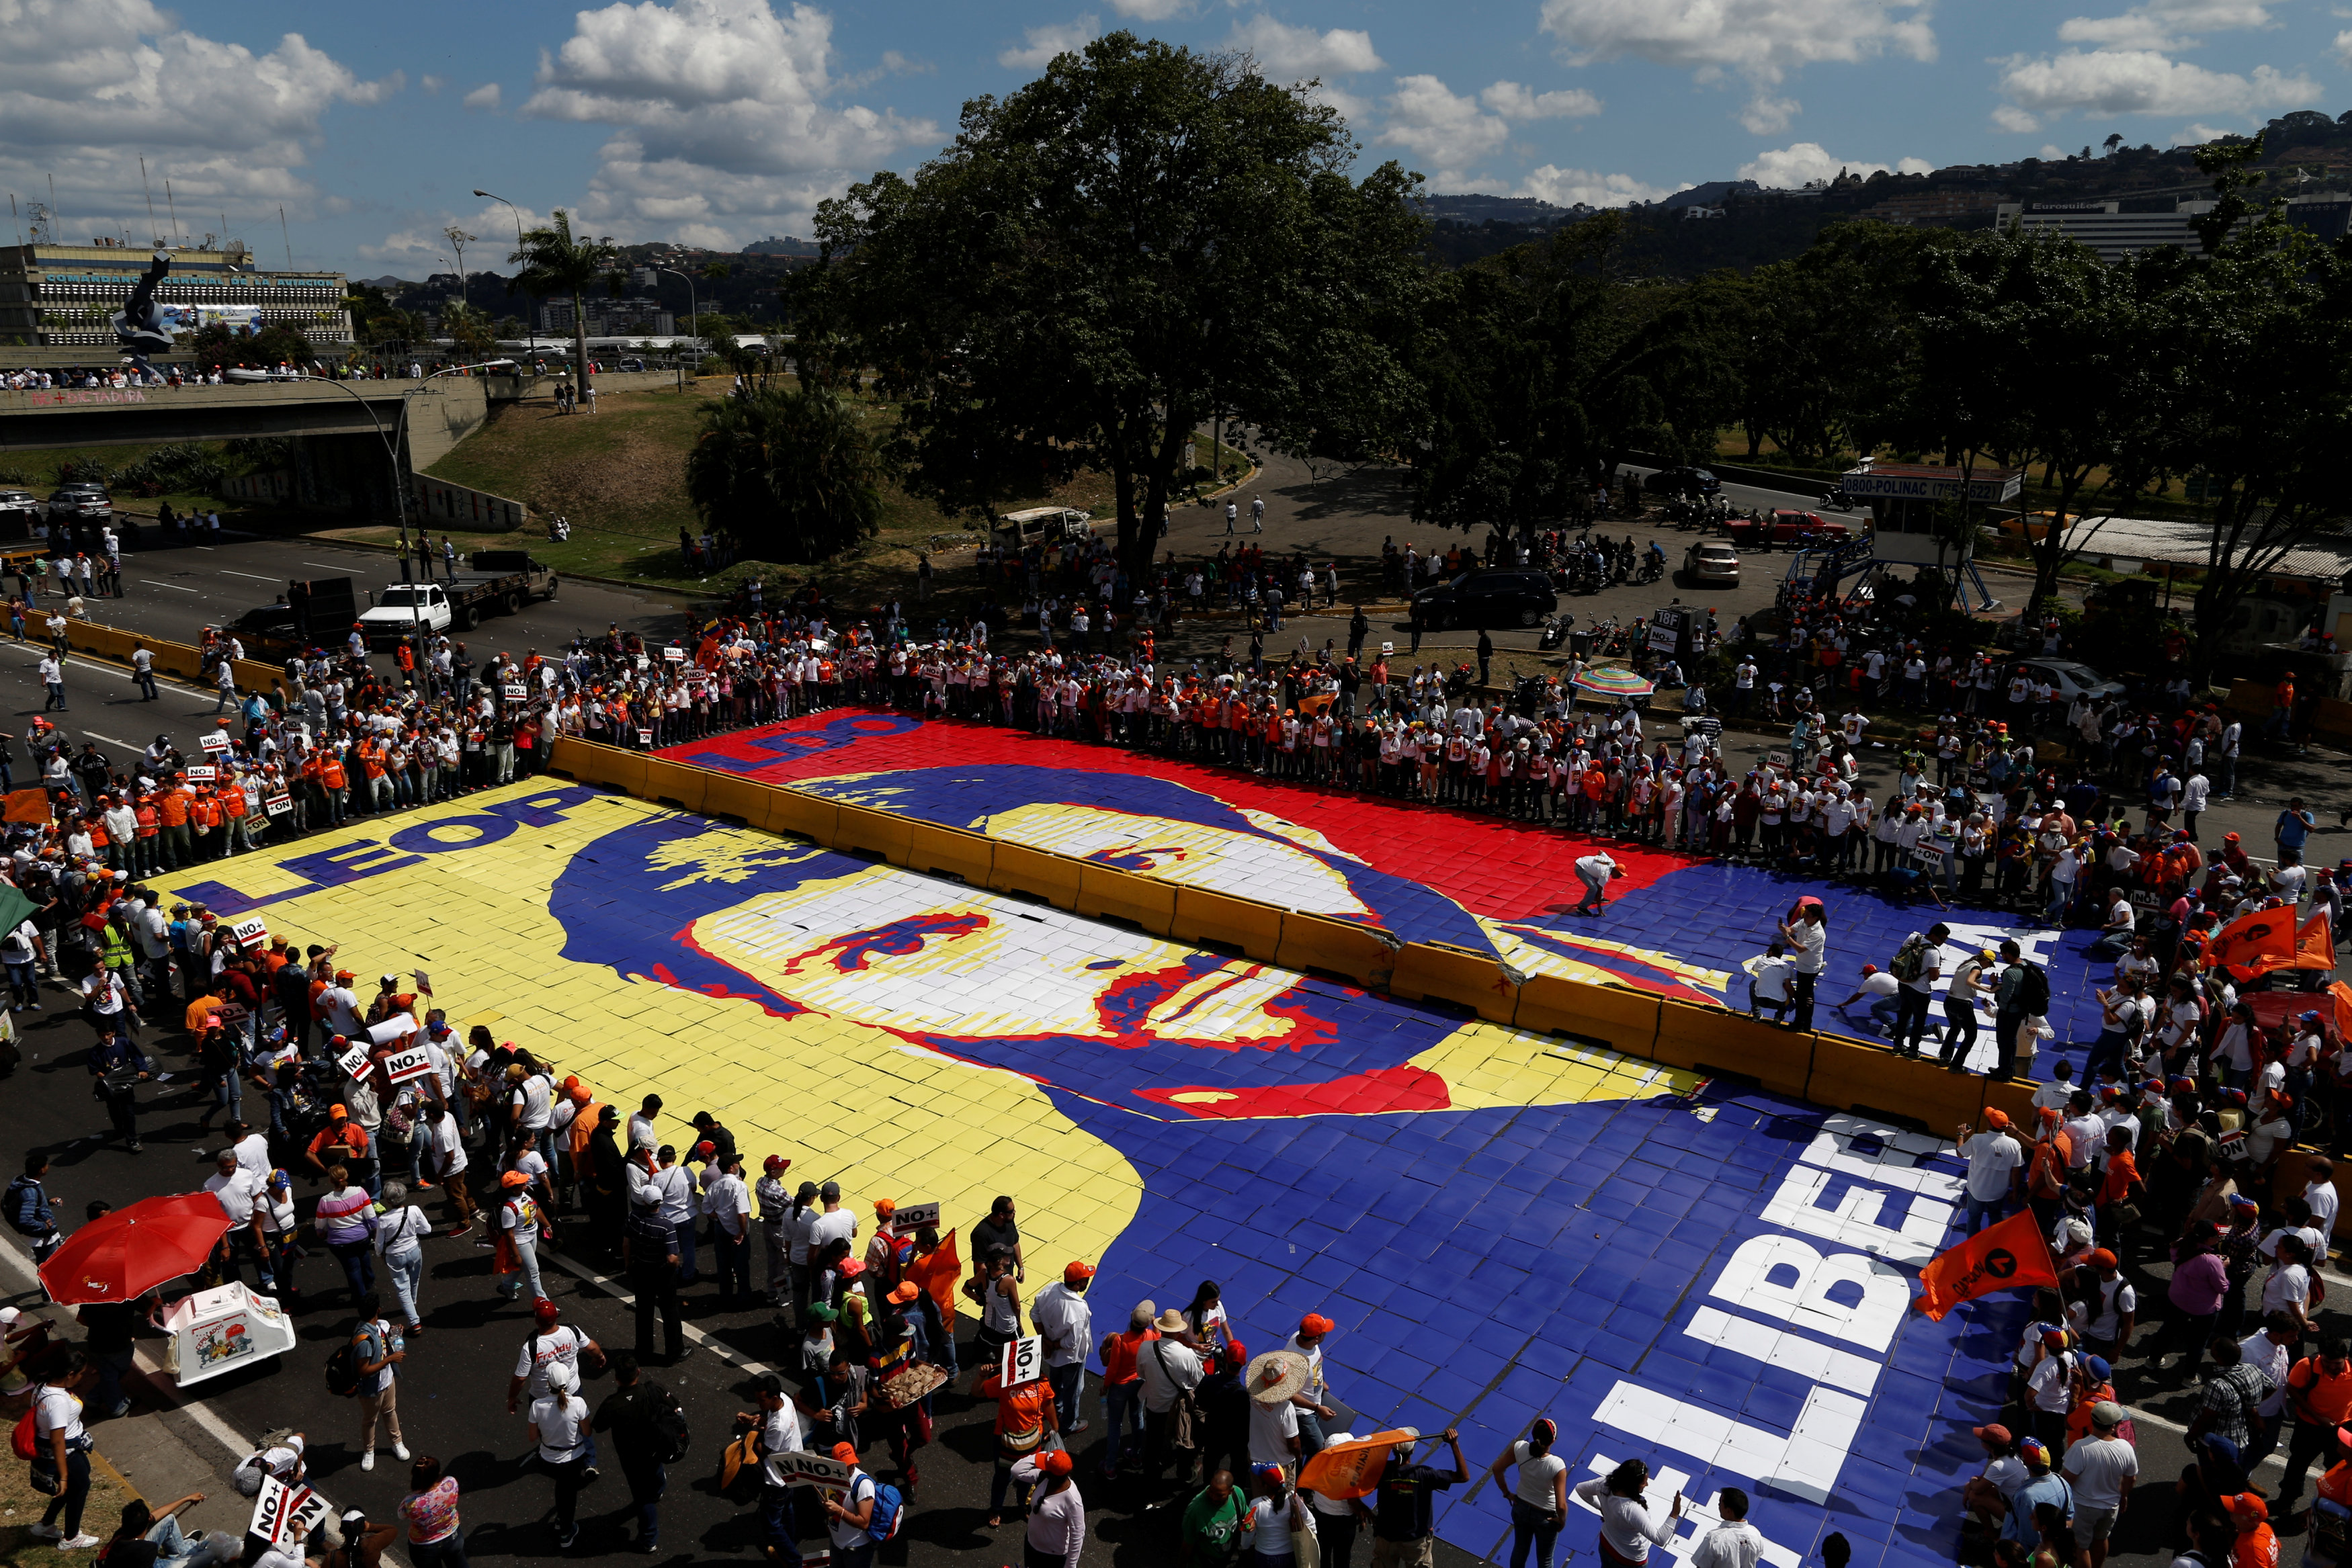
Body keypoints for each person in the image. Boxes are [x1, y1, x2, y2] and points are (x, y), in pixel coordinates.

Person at [592, 1350, 671, 1554]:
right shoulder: (652, 1391)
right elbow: (673, 1406)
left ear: (617, 1377)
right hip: (655, 1448)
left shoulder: (612, 1404)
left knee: (643, 1498)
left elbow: (598, 1426)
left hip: (632, 1458)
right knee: (655, 1472)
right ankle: (659, 1488)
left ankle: (649, 1539)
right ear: (639, 1371)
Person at [29, 1347, 99, 1549]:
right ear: (70, 1374)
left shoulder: (42, 1387)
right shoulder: (58, 1401)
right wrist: (63, 1476)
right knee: (79, 1488)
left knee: (69, 1490)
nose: (81, 1378)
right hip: (67, 1454)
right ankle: (71, 1538)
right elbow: (57, 1440)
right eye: (80, 1374)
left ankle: (46, 1524)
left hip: (62, 1451)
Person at [1372, 1427, 1467, 1568]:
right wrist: (1454, 1444)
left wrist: (1364, 1510)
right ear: (1412, 1451)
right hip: (1416, 1540)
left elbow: (1353, 1484)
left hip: (1387, 1538)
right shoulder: (1424, 1475)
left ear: (1392, 1449)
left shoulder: (1380, 1470)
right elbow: (1463, 1476)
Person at [527, 1360, 596, 1550]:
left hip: (548, 1460)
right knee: (569, 1495)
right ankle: (566, 1532)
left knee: (562, 1489)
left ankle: (561, 1519)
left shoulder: (537, 1407)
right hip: (573, 1460)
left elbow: (533, 1437)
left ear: (548, 1383)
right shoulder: (579, 1403)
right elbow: (588, 1433)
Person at [2060, 1403, 2136, 1568]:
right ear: (2114, 1426)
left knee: (2080, 1546)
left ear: (2092, 1421)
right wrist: (2123, 1496)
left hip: (2084, 1506)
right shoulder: (2126, 1447)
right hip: (2111, 1507)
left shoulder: (2081, 1448)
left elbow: (2067, 1479)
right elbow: (2131, 1478)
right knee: (2102, 1538)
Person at [1570, 1455, 1679, 1568]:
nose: (1647, 1484)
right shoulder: (1632, 1509)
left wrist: (1600, 1508)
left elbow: (1580, 1489)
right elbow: (1660, 1539)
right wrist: (1675, 1512)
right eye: (1644, 1482)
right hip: (1629, 1561)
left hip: (1606, 1546)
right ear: (1632, 1485)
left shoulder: (1603, 1485)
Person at [1488, 1418, 1569, 1568]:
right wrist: (1562, 1521)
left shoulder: (1519, 1448)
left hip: (1521, 1508)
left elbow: (1497, 1469)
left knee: (1520, 1550)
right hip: (1546, 1518)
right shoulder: (1557, 1465)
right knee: (1545, 1560)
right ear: (1553, 1441)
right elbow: (1562, 1505)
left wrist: (1507, 1493)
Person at [1032, 1260, 1095, 1435]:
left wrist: (1045, 1341)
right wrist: (1053, 1344)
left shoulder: (1050, 1289)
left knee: (1055, 1383)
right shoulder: (1079, 1308)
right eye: (1085, 1279)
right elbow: (1072, 1342)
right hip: (1071, 1357)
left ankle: (1053, 1409)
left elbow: (1034, 1314)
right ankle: (1068, 1424)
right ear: (1077, 1284)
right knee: (1073, 1390)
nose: (1087, 1281)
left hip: (1051, 1353)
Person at [350, 1294, 410, 1473]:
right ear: (378, 1309)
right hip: (371, 1388)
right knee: (370, 1420)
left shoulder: (381, 1325)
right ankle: (369, 1451)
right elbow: (364, 1370)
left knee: (390, 1411)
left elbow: (386, 1339)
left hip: (387, 1381)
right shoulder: (364, 1340)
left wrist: (396, 1333)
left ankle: (397, 1443)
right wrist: (390, 1358)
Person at [1238, 1461, 1314, 1568]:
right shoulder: (1293, 1499)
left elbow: (1248, 1533)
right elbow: (1311, 1522)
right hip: (1290, 1555)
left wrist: (1244, 1546)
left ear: (1264, 1485)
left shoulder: (1256, 1505)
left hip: (1264, 1557)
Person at [397, 1456, 468, 1568]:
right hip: (453, 1536)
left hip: (425, 1546)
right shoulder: (451, 1483)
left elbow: (401, 1515)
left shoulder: (410, 1503)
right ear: (438, 1473)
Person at [1024, 1448, 1085, 1568]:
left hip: (1053, 1557)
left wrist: (1070, 1566)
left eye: (1046, 1467)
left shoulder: (1072, 1499)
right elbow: (1017, 1470)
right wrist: (1041, 1456)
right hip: (1031, 1544)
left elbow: (1078, 1534)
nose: (1042, 1468)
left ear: (1052, 1475)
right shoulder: (1044, 1479)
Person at [1185, 1469, 1249, 1568]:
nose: (1214, 1497)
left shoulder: (1238, 1495)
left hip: (1230, 1558)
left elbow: (1246, 1514)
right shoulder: (1195, 1511)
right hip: (1205, 1562)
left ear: (1231, 1491)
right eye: (1211, 1491)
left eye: (1220, 1495)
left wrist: (1250, 1522)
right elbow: (1187, 1545)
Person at [1689, 1487, 1763, 1568]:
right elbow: (1756, 1557)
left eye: (1720, 1503)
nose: (1719, 1505)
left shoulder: (1715, 1538)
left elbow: (1702, 1566)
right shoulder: (1756, 1534)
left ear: (1728, 1511)